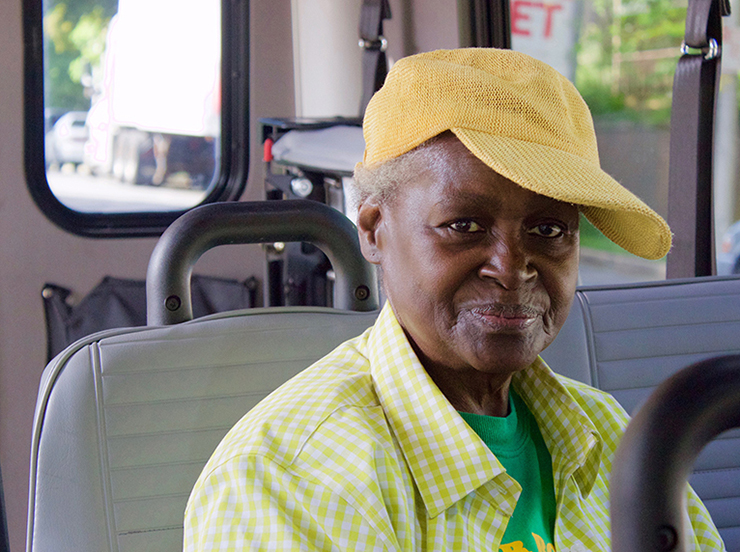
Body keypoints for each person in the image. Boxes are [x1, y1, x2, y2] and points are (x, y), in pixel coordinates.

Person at [183, 48, 724, 551]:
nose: (511, 268)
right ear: (373, 230)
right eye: (463, 225)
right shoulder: (291, 481)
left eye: (550, 229)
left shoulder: (607, 434)